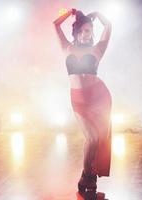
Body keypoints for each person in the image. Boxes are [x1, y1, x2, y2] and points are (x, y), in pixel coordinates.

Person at [53, 9, 113, 192]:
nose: (89, 34)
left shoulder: (97, 49)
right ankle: (87, 177)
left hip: (98, 99)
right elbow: (55, 24)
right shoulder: (67, 47)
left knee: (98, 139)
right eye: (85, 30)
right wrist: (69, 12)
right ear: (77, 31)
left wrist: (97, 14)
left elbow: (109, 25)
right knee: (92, 138)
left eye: (91, 31)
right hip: (79, 101)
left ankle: (88, 180)